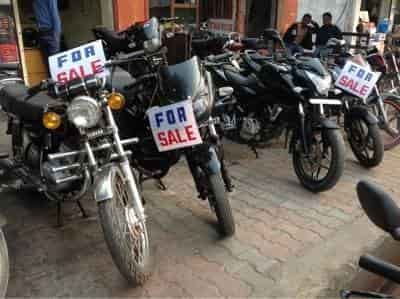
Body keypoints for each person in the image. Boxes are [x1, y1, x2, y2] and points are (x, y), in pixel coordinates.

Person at [32, 0, 62, 70]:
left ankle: (55, 80)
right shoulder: (35, 2)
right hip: (41, 33)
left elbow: (54, 14)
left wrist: (56, 34)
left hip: (51, 33)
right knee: (47, 64)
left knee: (54, 63)